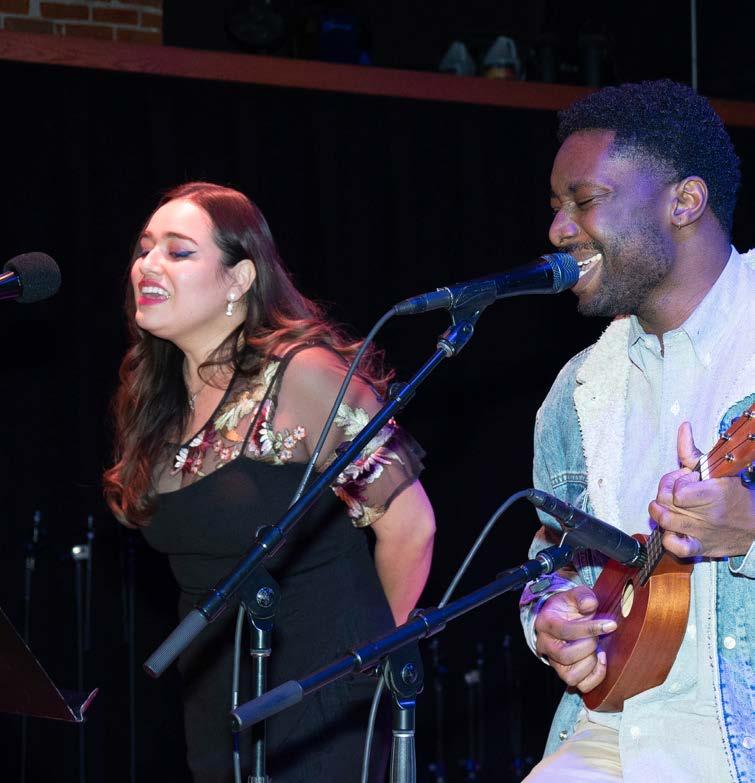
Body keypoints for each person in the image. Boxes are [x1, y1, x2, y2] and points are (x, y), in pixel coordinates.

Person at [103, 181, 436, 782]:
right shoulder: (155, 399)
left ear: (238, 279)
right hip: (215, 700)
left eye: (178, 251)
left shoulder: (303, 377)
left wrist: (362, 665)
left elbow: (411, 529)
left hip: (321, 696)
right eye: (145, 248)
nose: (147, 265)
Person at [519, 80, 754, 782]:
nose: (559, 230)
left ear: (684, 202)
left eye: (583, 200)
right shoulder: (577, 392)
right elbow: (550, 555)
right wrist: (550, 616)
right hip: (613, 733)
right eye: (556, 206)